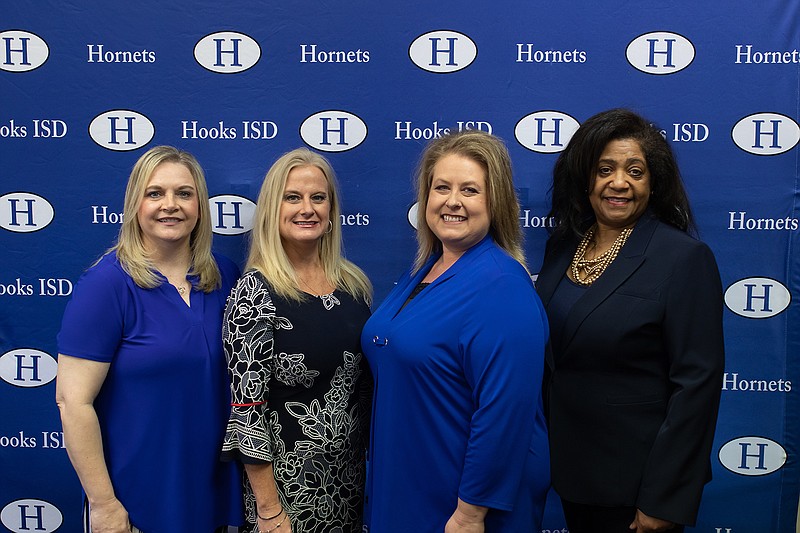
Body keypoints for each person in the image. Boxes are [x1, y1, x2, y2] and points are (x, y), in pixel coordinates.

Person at [536, 108, 725, 533]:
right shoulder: (562, 246)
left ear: (652, 182)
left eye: (635, 171)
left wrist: (664, 499)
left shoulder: (683, 259)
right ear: (586, 177)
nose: (619, 182)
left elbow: (697, 384)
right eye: (605, 169)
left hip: (637, 489)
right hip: (570, 474)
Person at [361, 130, 550, 532]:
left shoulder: (501, 284)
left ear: (495, 202)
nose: (452, 201)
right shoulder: (423, 269)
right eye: (441, 187)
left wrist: (470, 513)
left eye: (470, 190)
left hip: (458, 501)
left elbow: (504, 412)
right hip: (409, 480)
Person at [55, 146, 244, 532]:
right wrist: (104, 504)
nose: (170, 205)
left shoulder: (224, 275)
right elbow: (72, 401)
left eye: (184, 193)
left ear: (200, 206)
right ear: (135, 204)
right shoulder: (107, 284)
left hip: (210, 496)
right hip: (137, 503)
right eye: (155, 193)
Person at [221, 148, 373, 533]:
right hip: (287, 495)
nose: (307, 208)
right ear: (273, 208)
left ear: (332, 209)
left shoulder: (354, 286)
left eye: (317, 197)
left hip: (348, 486)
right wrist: (269, 511)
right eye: (293, 197)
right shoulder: (255, 293)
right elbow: (247, 412)